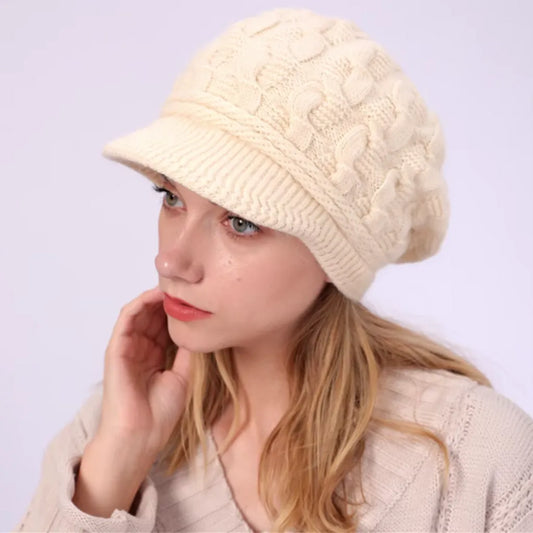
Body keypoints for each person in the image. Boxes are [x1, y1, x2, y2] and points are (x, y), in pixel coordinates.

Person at [15, 7, 533, 533]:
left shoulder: (472, 458)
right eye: (170, 197)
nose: (170, 261)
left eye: (240, 222)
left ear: (337, 254)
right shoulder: (115, 424)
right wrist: (117, 462)